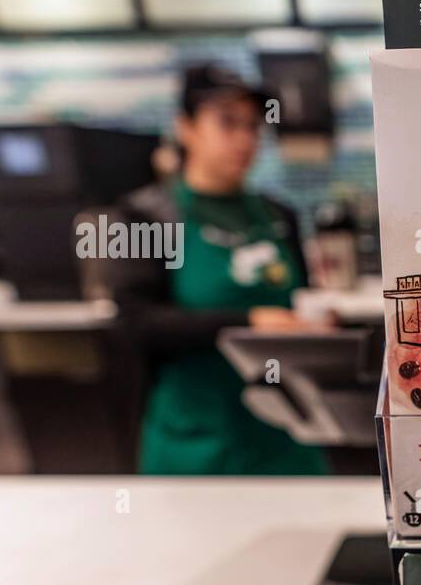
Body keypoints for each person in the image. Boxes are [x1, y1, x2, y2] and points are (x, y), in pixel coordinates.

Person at [109, 63, 329, 475]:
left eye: (253, 126)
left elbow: (301, 300)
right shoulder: (142, 216)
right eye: (228, 124)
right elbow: (135, 324)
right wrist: (250, 321)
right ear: (186, 127)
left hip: (287, 436)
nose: (245, 139)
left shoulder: (279, 214)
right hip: (196, 441)